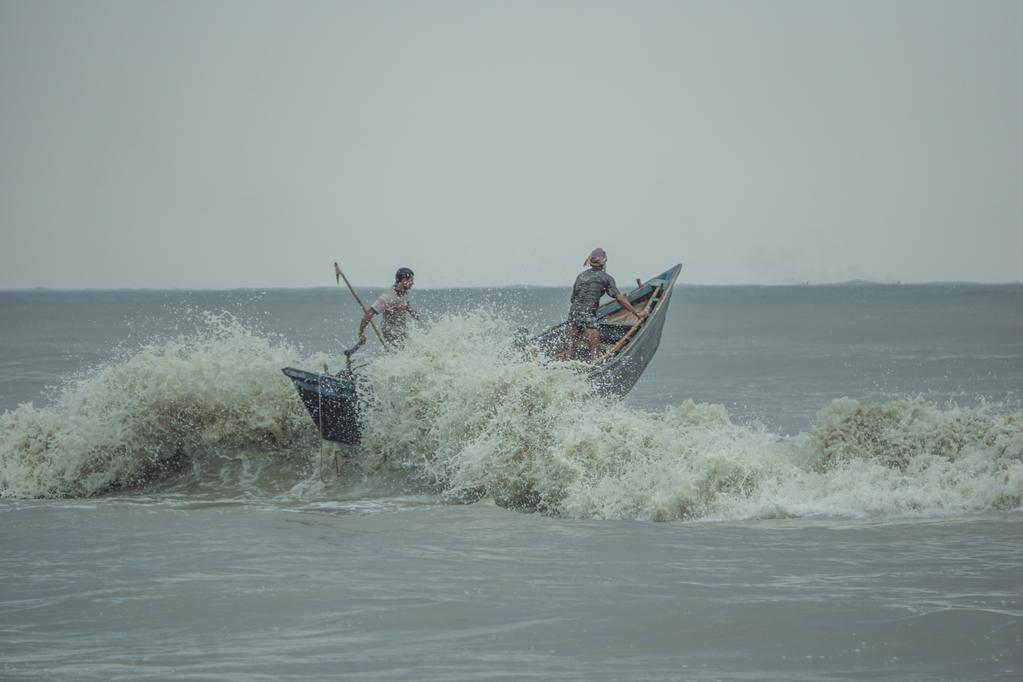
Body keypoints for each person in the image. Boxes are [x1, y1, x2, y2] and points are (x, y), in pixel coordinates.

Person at [561, 248, 647, 362]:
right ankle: (595, 362)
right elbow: (619, 298)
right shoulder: (606, 278)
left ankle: (569, 361)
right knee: (594, 351)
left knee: (571, 349)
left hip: (573, 312)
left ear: (589, 261)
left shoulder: (580, 276)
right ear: (604, 262)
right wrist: (637, 312)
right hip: (588, 314)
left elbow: (573, 299)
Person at [357, 267, 420, 347]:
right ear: (404, 280)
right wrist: (361, 332)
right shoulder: (388, 296)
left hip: (401, 331)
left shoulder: (404, 291)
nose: (413, 283)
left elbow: (405, 304)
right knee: (399, 353)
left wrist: (412, 312)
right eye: (411, 280)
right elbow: (370, 312)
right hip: (391, 333)